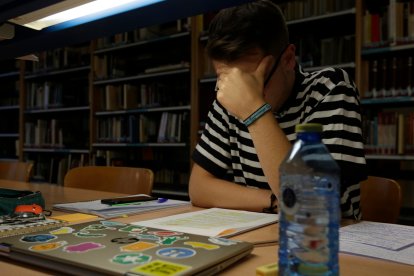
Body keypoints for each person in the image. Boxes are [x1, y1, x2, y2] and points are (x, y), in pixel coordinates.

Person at [188, 0, 367, 219]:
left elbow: (314, 205)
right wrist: (276, 201)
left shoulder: (330, 88)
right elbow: (198, 187)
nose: (240, 94)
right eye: (226, 79)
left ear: (289, 59)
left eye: (252, 83)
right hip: (266, 235)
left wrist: (255, 110)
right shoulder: (229, 98)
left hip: (325, 244)